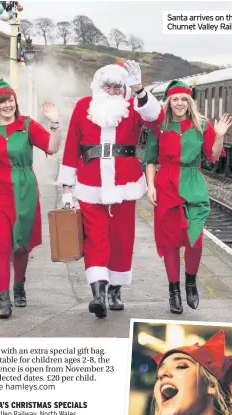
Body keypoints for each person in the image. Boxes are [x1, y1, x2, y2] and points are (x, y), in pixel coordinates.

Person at [58, 60, 164, 319]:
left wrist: (139, 90)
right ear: (99, 85)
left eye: (118, 87)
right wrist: (66, 187)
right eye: (108, 86)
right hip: (89, 182)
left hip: (124, 182)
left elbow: (156, 119)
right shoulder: (84, 106)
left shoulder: (134, 105)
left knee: (121, 237)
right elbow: (72, 145)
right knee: (95, 237)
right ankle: (98, 294)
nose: (113, 91)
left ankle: (115, 288)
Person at [0, 79, 60, 319]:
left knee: (21, 246)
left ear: (15, 102)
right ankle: (3, 299)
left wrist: (54, 123)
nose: (8, 105)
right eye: (3, 102)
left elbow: (52, 148)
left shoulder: (27, 125)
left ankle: (19, 284)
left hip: (25, 192)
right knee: (1, 247)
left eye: (10, 100)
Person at [144, 80, 232, 314]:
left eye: (184, 99)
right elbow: (151, 160)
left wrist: (220, 135)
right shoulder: (160, 127)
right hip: (166, 186)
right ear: (169, 102)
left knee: (195, 239)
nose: (180, 103)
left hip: (193, 182)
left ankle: (191, 282)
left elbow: (213, 157)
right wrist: (150, 186)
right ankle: (174, 292)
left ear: (190, 102)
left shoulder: (201, 125)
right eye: (175, 99)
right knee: (171, 242)